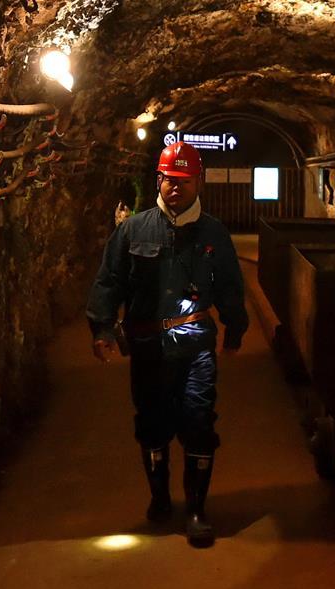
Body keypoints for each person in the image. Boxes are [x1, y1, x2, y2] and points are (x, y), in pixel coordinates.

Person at [86, 141, 248, 546]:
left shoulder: (213, 233)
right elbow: (110, 281)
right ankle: (160, 498)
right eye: (169, 180)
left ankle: (196, 509)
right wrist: (102, 328)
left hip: (195, 346)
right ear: (159, 179)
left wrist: (235, 328)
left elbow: (229, 286)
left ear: (198, 182)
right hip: (147, 346)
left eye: (184, 181)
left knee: (197, 421)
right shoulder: (133, 230)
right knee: (153, 424)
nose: (176, 188)